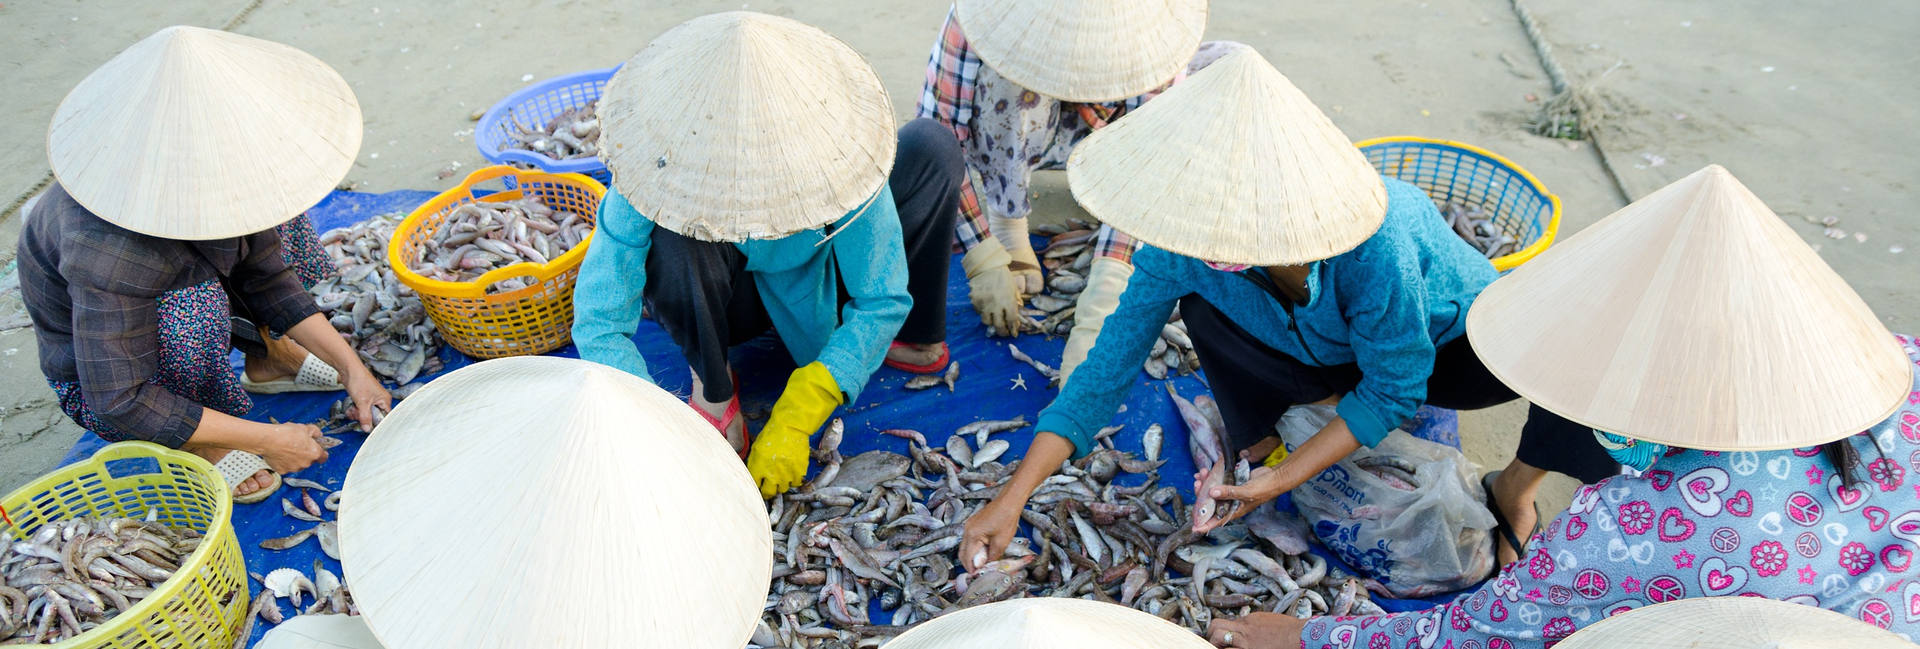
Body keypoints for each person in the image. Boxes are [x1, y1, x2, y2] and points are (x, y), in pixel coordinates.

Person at [1203, 165, 1920, 648]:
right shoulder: (1899, 365)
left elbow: (1475, 633)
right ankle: (1514, 493)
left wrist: (1306, 636)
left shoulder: (1628, 534)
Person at [960, 47, 1617, 572]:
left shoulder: (1374, 239)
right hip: (1323, 353)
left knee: (1587, 355)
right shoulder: (1181, 242)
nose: (1204, 243)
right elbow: (1106, 368)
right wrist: (1012, 498)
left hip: (1454, 346)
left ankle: (1517, 488)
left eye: (1228, 232)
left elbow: (1395, 388)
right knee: (1203, 306)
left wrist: (1285, 483)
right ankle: (1269, 442)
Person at [570, 12, 964, 498]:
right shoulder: (656, 164)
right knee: (672, 244)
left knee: (930, 146)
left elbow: (881, 300)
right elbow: (600, 320)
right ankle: (714, 390)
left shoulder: (841, 154)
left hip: (819, 284)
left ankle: (897, 343)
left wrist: (803, 408)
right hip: (727, 301)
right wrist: (651, 418)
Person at [17, 26, 391, 504]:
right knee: (192, 311)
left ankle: (268, 356)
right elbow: (118, 401)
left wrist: (352, 367)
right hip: (104, 378)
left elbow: (268, 277)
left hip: (179, 282)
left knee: (282, 214)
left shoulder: (235, 179)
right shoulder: (110, 251)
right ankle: (202, 435)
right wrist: (267, 439)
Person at [915, 0, 1233, 376]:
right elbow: (937, 136)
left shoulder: (1153, 34)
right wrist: (982, 254)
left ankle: (1112, 201)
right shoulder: (983, 17)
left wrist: (1104, 295)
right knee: (1005, 80)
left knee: (1234, 65)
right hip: (1023, 124)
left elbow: (1145, 153)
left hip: (1104, 126)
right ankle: (1009, 216)